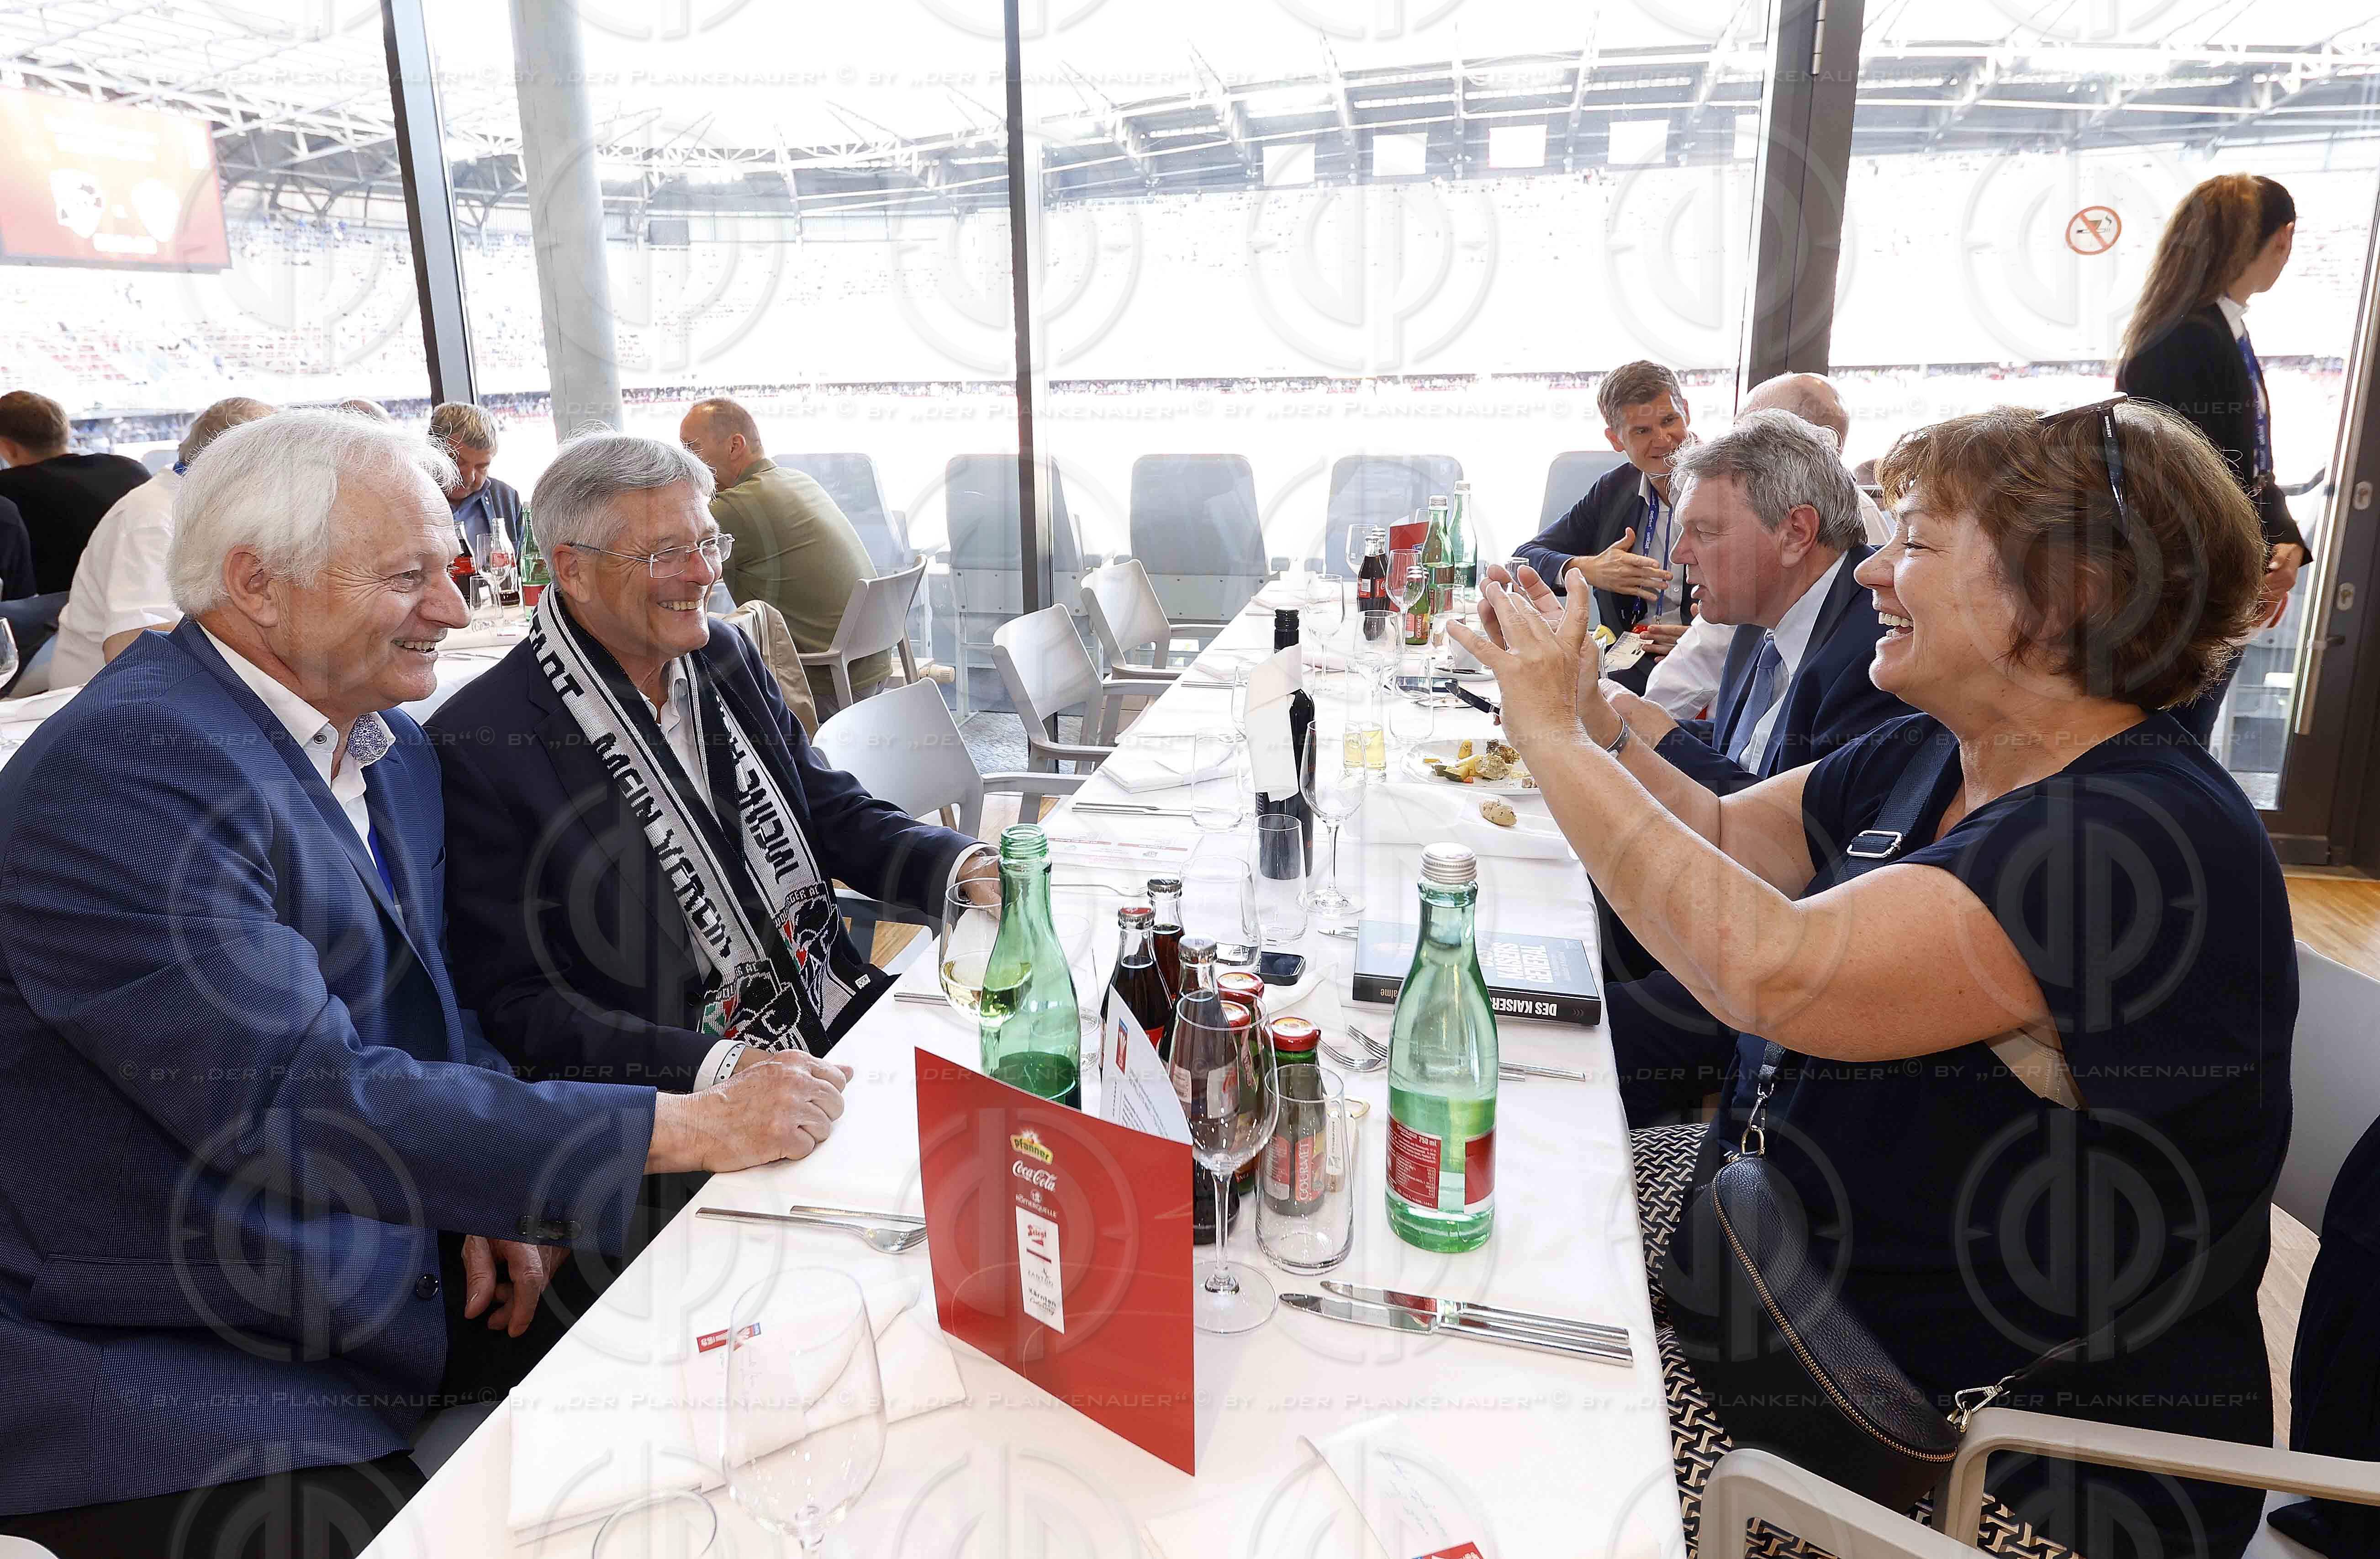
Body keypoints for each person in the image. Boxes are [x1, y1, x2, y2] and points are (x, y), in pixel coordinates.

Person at [0, 412, 846, 1558]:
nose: (455, 609)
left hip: (391, 1245)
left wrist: (489, 1194)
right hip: (181, 1341)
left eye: (449, 569)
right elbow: (299, 1104)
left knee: (758, 1316)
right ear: (257, 583)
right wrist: (694, 1121)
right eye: (411, 576)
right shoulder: (132, 771)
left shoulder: (382, 748)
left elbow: (434, 1009)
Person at [1454, 398, 2289, 1559]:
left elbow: (1769, 970)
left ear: (2072, 594)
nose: (1870, 575)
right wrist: (1594, 713)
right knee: (1506, 1209)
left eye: (1917, 544)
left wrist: (1546, 734)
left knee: (1507, 1454)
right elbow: (1723, 834)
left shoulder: (2135, 840)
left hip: (1966, 1463)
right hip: (1778, 1287)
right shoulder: (1942, 744)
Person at [430, 433, 994, 1090]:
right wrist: (720, 1069)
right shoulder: (480, 742)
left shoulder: (720, 657)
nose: (703, 573)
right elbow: (520, 1005)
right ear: (572, 568)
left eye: (707, 543)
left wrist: (964, 867)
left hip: (832, 1017)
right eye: (666, 552)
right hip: (681, 1100)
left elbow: (826, 810)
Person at [2119, 173, 2307, 745]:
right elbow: (2205, 484)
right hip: (2190, 591)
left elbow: (2247, 461)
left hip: (2202, 583)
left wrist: (2287, 541)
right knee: (2171, 745)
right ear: (2283, 238)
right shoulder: (2189, 341)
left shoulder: (2213, 329)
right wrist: (2246, 572)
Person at [1642, 374, 1895, 728]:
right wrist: (1626, 722)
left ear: (1795, 534)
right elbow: (1736, 753)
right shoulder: (1757, 615)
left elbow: (1774, 782)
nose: (1678, 555)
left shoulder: (1871, 663)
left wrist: (1623, 730)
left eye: (1704, 532)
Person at [48, 396, 274, 688]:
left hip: (169, 692)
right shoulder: (151, 517)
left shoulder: (206, 505)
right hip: (108, 703)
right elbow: (133, 643)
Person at [678, 397, 887, 710]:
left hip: (822, 681)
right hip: (867, 666)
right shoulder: (796, 480)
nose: (685, 464)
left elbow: (665, 563)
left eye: (691, 449)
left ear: (735, 446)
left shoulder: (739, 506)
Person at [1511, 359, 1692, 691]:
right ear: (1615, 440)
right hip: (1626, 673)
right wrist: (1586, 569)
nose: (1663, 439)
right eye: (1642, 431)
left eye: (1670, 421)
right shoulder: (1612, 489)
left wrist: (1708, 643)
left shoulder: (1732, 482)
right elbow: (1523, 558)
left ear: (1687, 414)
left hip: (1708, 672)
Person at [0, 389, 147, 592]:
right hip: (151, 597)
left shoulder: (7, 492)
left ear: (8, 447)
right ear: (65, 432)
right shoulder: (130, 470)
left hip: (55, 614)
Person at [427, 402, 525, 557]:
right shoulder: (405, 499)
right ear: (432, 450)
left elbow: (519, 570)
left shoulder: (506, 498)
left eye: (482, 467)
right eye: (458, 462)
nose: (469, 477)